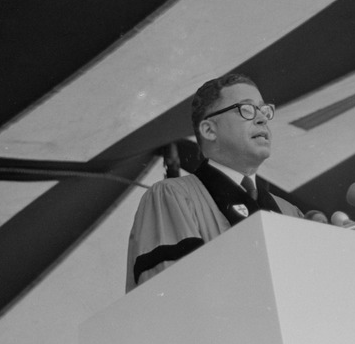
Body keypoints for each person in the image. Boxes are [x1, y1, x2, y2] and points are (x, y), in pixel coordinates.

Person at [125, 72, 304, 291]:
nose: (262, 118)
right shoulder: (173, 197)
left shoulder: (290, 212)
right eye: (246, 109)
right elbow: (172, 296)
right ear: (209, 130)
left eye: (264, 110)